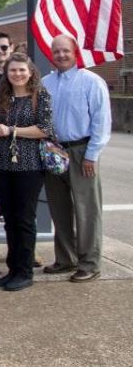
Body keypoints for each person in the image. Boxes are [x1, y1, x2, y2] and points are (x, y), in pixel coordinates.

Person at [42, 34, 112, 283]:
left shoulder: (92, 82)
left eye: (65, 51)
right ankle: (65, 259)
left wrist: (92, 155)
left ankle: (90, 262)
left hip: (82, 151)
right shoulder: (45, 83)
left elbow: (101, 122)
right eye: (56, 51)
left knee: (87, 209)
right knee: (59, 209)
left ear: (75, 53)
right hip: (53, 151)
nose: (61, 55)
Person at [0, 52, 53, 291]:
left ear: (30, 71)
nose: (17, 74)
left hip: (29, 165)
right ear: (7, 73)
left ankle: (24, 271)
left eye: (22, 70)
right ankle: (13, 268)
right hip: (1, 164)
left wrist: (11, 130)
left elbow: (44, 129)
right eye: (13, 70)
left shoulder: (40, 96)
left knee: (24, 218)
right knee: (9, 219)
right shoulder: (0, 97)